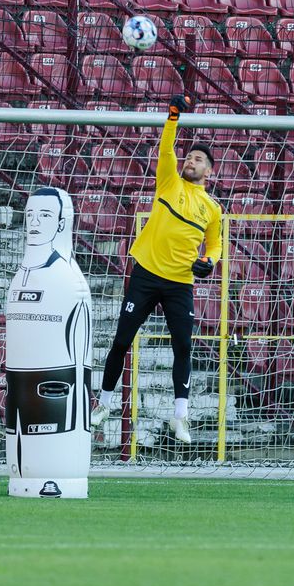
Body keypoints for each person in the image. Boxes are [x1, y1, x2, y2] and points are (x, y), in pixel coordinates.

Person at [91, 95, 221, 444]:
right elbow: (166, 149)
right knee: (121, 340)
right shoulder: (169, 182)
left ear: (210, 171)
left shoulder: (212, 208)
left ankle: (181, 418)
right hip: (146, 275)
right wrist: (173, 118)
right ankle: (103, 405)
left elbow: (215, 245)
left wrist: (209, 262)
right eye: (190, 157)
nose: (191, 161)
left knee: (183, 346)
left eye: (198, 160)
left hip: (180, 282)